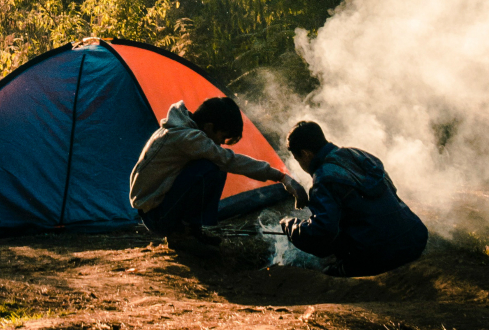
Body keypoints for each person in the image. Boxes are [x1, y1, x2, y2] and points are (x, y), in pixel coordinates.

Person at [130, 96, 309, 256]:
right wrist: (281, 177)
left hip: (156, 210)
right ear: (209, 127)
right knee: (211, 167)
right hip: (157, 217)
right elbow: (229, 160)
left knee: (213, 164)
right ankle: (181, 236)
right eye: (223, 137)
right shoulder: (187, 138)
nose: (221, 144)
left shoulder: (181, 129)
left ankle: (192, 230)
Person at [279, 121, 428, 276]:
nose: (301, 165)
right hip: (414, 240)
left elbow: (321, 235)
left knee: (328, 271)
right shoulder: (358, 155)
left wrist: (290, 225)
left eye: (298, 159)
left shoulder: (324, 178)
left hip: (379, 256)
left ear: (306, 153)